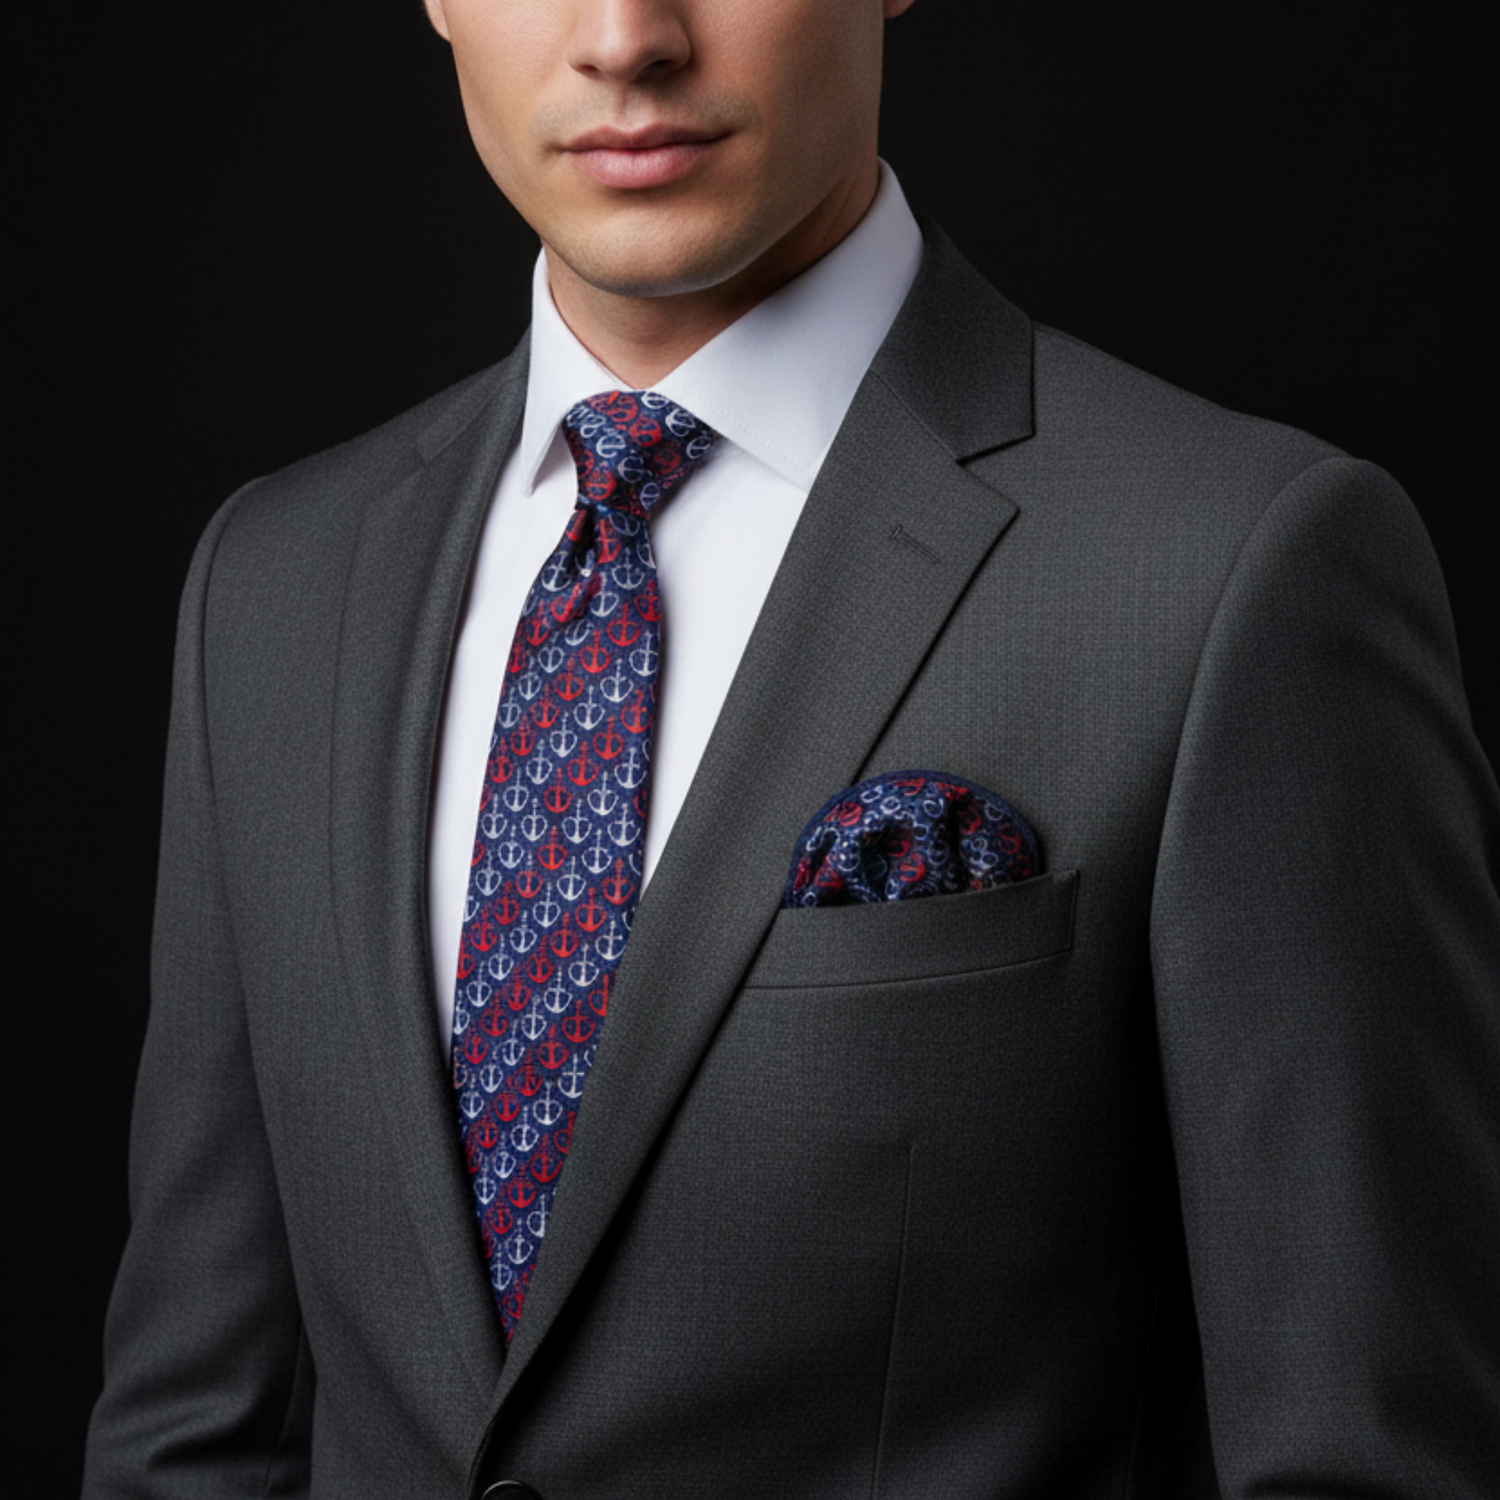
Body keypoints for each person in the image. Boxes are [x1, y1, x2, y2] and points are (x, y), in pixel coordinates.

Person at [83, 0, 1499, 1496]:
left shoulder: (1237, 570)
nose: (626, 37)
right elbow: (192, 1432)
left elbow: (1374, 1455)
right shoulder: (275, 582)